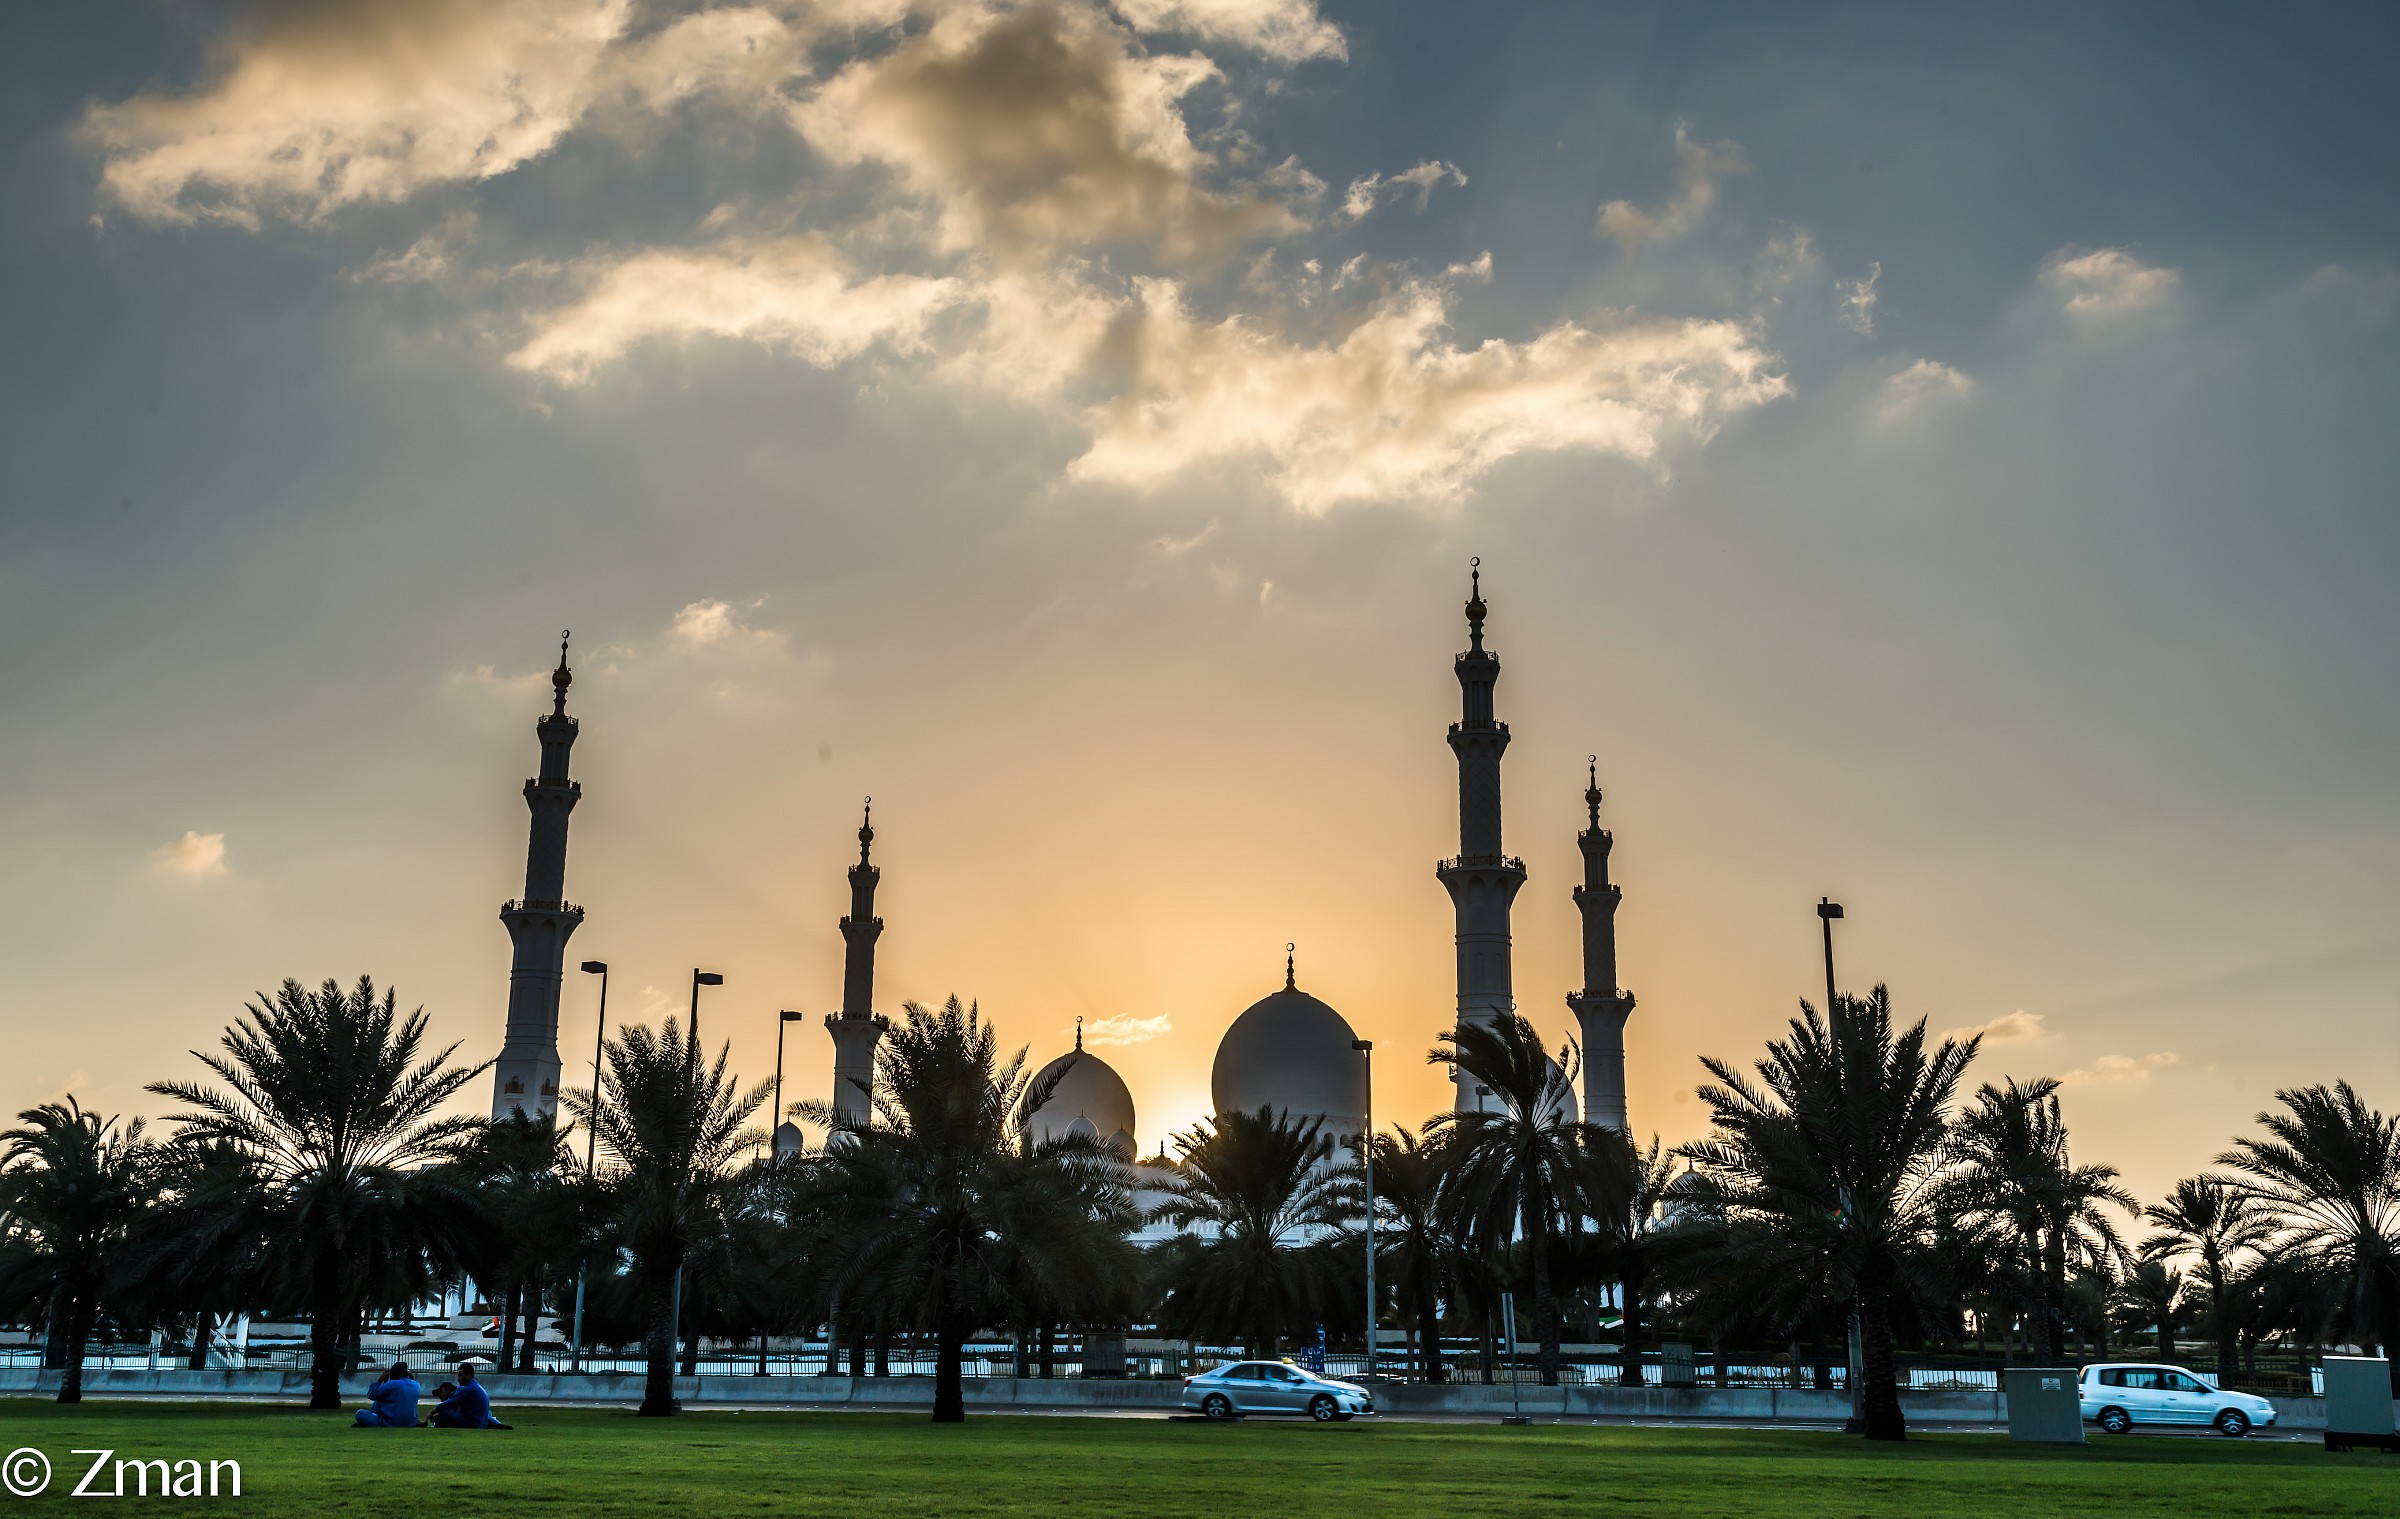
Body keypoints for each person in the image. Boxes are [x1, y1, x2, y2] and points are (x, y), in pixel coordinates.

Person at [430, 1362, 510, 1429]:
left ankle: (435, 1426)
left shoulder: (467, 1389)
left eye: (460, 1375)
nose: (458, 1379)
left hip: (472, 1424)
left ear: (468, 1375)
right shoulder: (477, 1387)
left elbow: (447, 1404)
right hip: (480, 1423)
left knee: (443, 1413)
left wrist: (432, 1412)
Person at [352, 1361, 423, 1428]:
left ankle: (372, 1421)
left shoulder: (392, 1384)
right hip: (410, 1422)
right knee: (381, 1398)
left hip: (390, 1422)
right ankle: (416, 1422)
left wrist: (380, 1380)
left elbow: (372, 1394)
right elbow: (390, 1394)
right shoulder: (416, 1385)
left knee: (360, 1413)